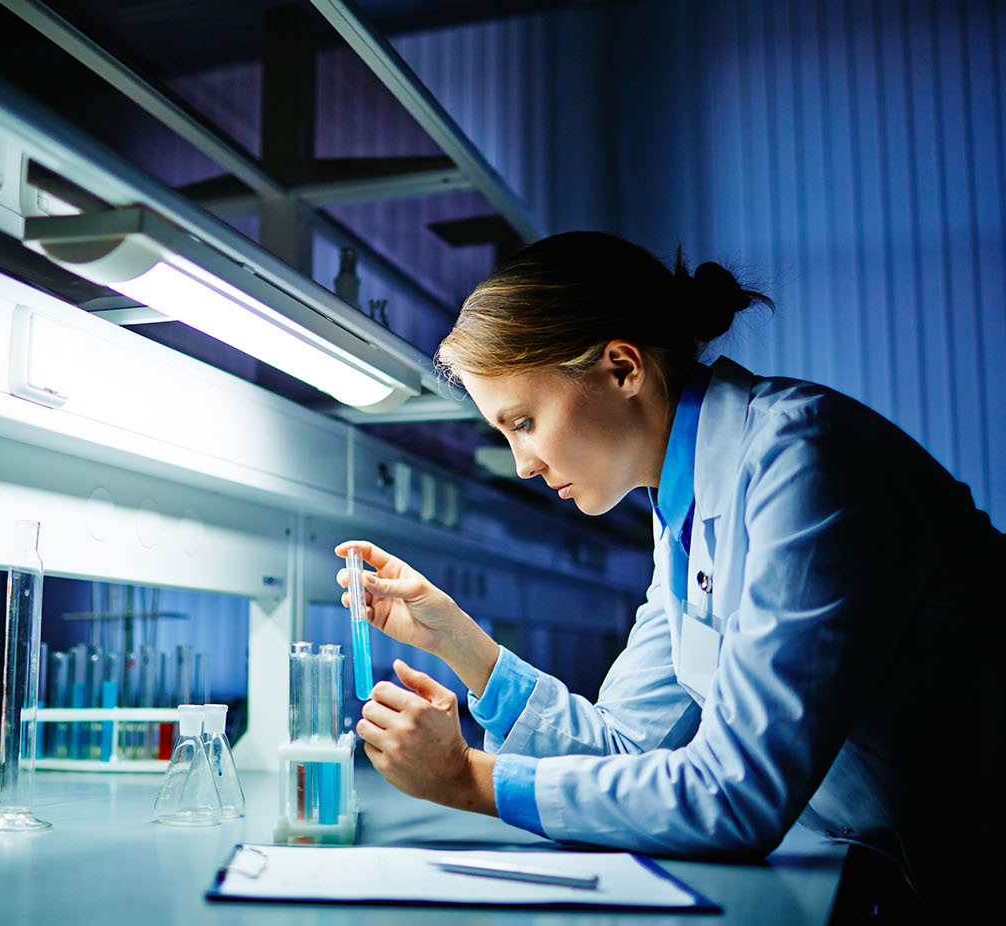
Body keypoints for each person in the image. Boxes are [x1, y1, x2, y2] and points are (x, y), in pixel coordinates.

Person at [336, 231, 1004, 912]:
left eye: (525, 422)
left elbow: (737, 794)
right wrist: (459, 642)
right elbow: (627, 745)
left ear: (623, 369)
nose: (522, 464)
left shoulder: (803, 461)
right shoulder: (680, 509)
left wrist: (468, 779)